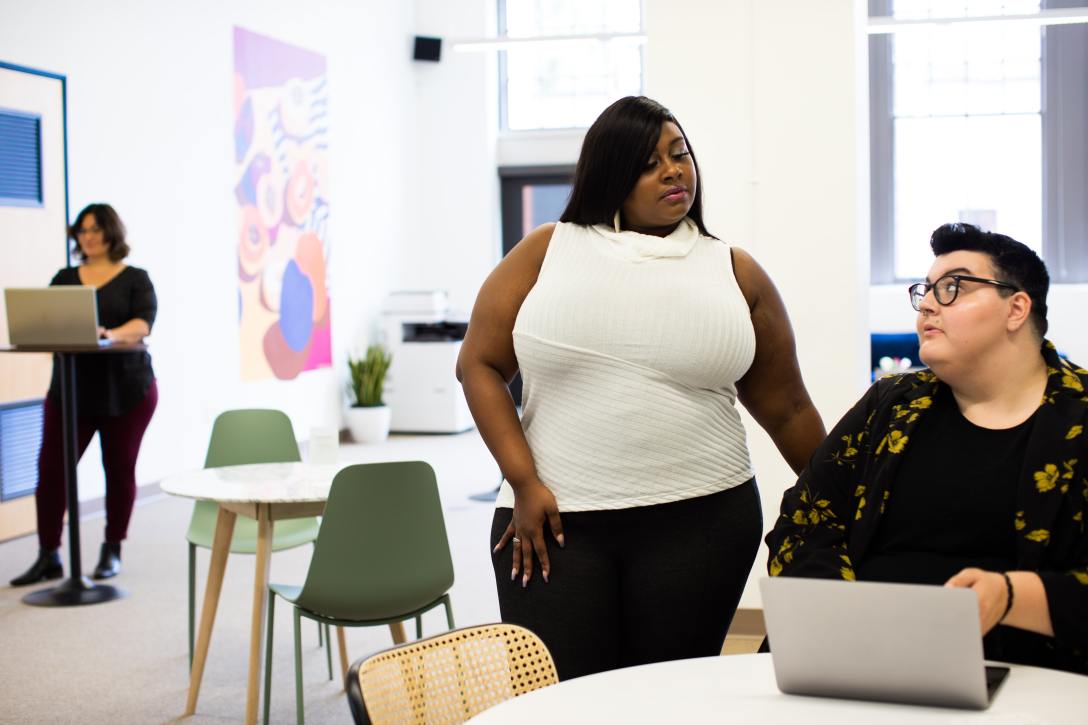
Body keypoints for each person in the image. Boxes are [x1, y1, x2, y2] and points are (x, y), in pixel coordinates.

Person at [456, 96, 826, 680]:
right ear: (611, 176)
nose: (673, 170)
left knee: (669, 695)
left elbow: (787, 408)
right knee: (565, 699)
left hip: (705, 520)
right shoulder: (548, 250)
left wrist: (840, 501)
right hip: (555, 524)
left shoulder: (733, 270)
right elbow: (478, 366)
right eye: (649, 163)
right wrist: (523, 482)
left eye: (679, 155)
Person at [765, 222, 1088, 674]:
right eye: (927, 291)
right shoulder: (891, 404)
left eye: (953, 287)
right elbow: (806, 519)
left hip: (1023, 672)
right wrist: (842, 618)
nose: (929, 306)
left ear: (1017, 308)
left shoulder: (1079, 419)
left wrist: (1012, 596)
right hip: (857, 658)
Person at [10, 203, 158, 586]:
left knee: (119, 468)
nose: (88, 237)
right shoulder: (64, 277)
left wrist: (109, 334)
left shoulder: (136, 279)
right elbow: (47, 320)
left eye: (95, 229)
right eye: (82, 230)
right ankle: (49, 555)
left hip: (126, 389)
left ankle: (112, 548)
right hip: (71, 390)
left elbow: (142, 324)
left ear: (112, 233)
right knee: (51, 472)